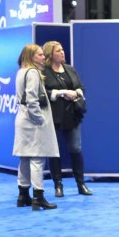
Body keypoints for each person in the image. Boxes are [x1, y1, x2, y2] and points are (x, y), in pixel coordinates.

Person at [42, 41, 92, 197]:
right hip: (54, 116)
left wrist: (77, 91)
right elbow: (44, 93)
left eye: (63, 50)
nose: (62, 52)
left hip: (72, 115)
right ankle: (58, 185)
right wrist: (62, 92)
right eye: (58, 51)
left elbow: (81, 87)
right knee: (54, 151)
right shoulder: (44, 72)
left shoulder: (70, 69)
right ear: (50, 54)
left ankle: (81, 184)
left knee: (76, 148)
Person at [13, 44, 59, 211]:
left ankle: (23, 194)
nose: (43, 57)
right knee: (38, 159)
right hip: (33, 121)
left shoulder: (21, 72)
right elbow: (32, 99)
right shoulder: (33, 73)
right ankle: (38, 197)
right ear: (32, 57)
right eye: (39, 55)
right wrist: (40, 119)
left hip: (22, 119)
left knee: (25, 158)